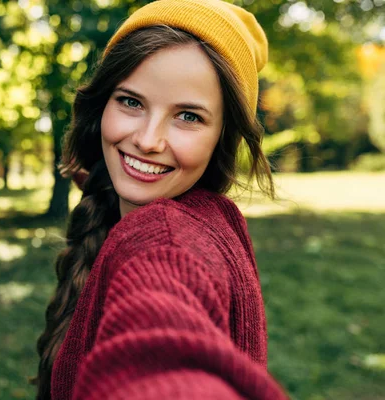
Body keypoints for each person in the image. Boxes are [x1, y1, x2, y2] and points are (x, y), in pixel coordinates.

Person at [31, 0, 289, 398]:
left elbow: (162, 337)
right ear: (102, 105)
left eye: (188, 116)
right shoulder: (119, 212)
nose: (148, 140)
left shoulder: (169, 239)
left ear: (222, 136)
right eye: (131, 102)